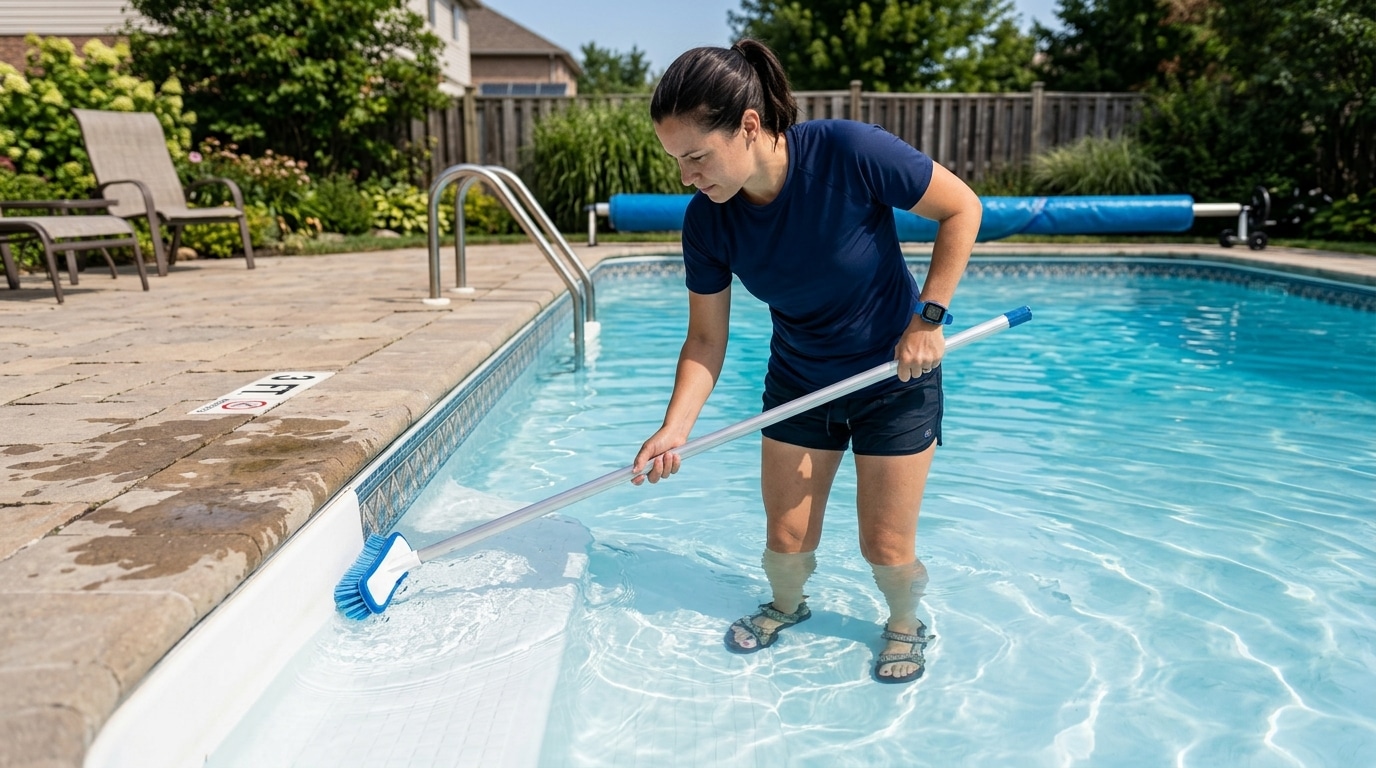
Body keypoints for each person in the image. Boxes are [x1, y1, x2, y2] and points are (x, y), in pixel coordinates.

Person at [630, 38, 980, 685]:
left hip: (893, 379)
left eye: (697, 156)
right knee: (786, 541)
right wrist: (675, 426)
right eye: (677, 160)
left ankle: (905, 619)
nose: (687, 176)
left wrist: (927, 318)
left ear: (750, 126)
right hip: (801, 385)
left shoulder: (848, 152)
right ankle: (788, 605)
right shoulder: (708, 222)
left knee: (885, 547)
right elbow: (705, 340)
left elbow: (962, 208)